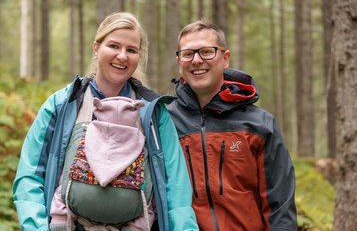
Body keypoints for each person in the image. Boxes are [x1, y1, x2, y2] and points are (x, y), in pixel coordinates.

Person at [12, 12, 198, 231]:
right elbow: (30, 176)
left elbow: (177, 190)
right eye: (113, 46)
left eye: (131, 50)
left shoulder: (152, 112)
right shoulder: (64, 104)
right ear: (96, 48)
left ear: (139, 56)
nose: (122, 56)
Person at [167, 20, 297, 231]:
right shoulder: (165, 122)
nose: (197, 60)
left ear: (225, 58)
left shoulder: (260, 125)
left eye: (207, 52)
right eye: (188, 54)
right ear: (179, 61)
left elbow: (279, 205)